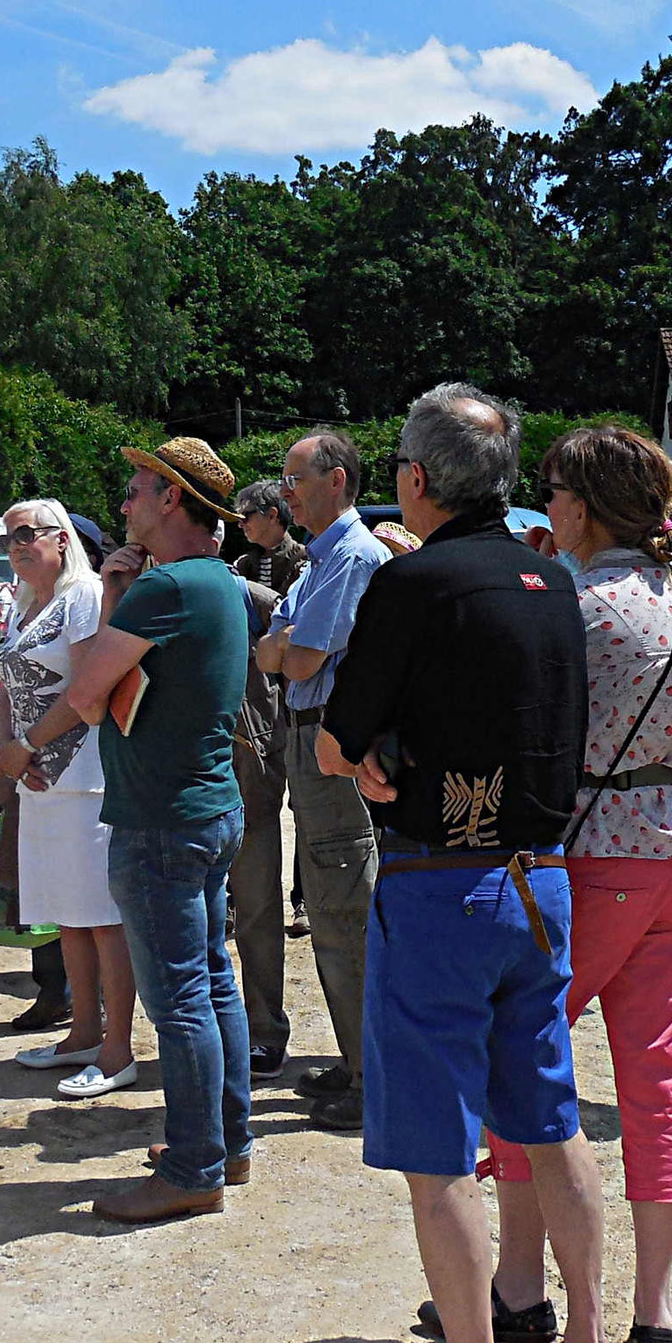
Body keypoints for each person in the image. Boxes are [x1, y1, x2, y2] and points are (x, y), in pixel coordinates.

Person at [316, 384, 615, 1343]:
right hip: (542, 883)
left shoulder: (413, 582)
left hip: (440, 883)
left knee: (436, 1155)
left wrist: (380, 751)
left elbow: (333, 744)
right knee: (547, 1119)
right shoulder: (554, 583)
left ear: (415, 479)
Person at [480, 425, 672, 1343]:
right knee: (658, 1077)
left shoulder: (576, 606)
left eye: (553, 491)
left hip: (593, 857)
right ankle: (655, 1313)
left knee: (524, 1057)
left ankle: (521, 1290)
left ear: (578, 507)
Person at [67, 438, 251, 1222]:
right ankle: (224, 1145)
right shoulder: (221, 582)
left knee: (178, 999)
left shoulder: (164, 587)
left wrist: (116, 596)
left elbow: (84, 693)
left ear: (172, 500)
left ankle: (193, 1166)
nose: (125, 504)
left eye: (138, 490)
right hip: (210, 808)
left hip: (160, 820)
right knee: (211, 983)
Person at [255, 430, 388, 1129]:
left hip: (329, 741)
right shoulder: (318, 562)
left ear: (335, 480)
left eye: (295, 478)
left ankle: (373, 1079)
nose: (285, 493)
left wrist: (284, 648)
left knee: (343, 904)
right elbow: (276, 647)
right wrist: (284, 647)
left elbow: (296, 659)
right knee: (335, 902)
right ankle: (357, 1058)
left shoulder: (351, 556)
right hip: (312, 740)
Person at [0, 499, 138, 1099]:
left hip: (83, 777)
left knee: (102, 918)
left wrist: (23, 745)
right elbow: (4, 685)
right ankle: (81, 1032)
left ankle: (117, 1048)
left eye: (29, 533)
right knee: (66, 915)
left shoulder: (81, 596)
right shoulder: (23, 605)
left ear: (60, 538)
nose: (18, 544)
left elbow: (87, 693)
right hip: (38, 779)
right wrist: (8, 748)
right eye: (10, 538)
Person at [229, 481, 304, 1078]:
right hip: (206, 756)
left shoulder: (296, 568)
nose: (244, 525)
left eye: (250, 516)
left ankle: (262, 1028)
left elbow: (298, 640)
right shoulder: (237, 570)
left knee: (257, 899)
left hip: (259, 743)